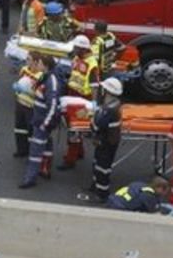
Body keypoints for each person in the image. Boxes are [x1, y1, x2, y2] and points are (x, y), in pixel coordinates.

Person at [20, 53, 62, 188]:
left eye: (39, 63)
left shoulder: (51, 81)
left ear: (45, 65)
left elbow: (53, 104)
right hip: (40, 118)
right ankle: (46, 169)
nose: (36, 65)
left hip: (42, 120)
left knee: (35, 151)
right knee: (47, 145)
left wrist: (45, 123)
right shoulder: (45, 77)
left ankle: (30, 179)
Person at [59, 34, 99, 170]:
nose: (74, 50)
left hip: (83, 100)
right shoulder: (77, 58)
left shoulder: (92, 64)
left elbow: (94, 86)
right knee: (75, 127)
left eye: (76, 48)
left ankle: (70, 159)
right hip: (72, 94)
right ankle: (79, 152)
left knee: (74, 129)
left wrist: (94, 104)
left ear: (83, 49)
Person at [88, 78, 124, 202]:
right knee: (98, 164)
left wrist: (92, 119)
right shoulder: (113, 103)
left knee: (102, 168)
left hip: (106, 143)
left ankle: (102, 194)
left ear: (108, 91)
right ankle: (96, 186)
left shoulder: (110, 109)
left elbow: (97, 125)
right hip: (106, 141)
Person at [12, 66, 42, 158]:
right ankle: (21, 150)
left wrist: (26, 90)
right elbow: (20, 80)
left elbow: (39, 93)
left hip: (30, 106)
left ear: (36, 62)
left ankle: (33, 151)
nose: (28, 62)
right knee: (19, 128)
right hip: (20, 102)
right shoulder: (25, 69)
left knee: (31, 130)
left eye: (29, 60)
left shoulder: (40, 76)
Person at [107, 177, 173, 214]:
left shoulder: (139, 184)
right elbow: (154, 213)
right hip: (119, 208)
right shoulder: (149, 196)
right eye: (165, 191)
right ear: (159, 188)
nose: (165, 194)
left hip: (112, 200)